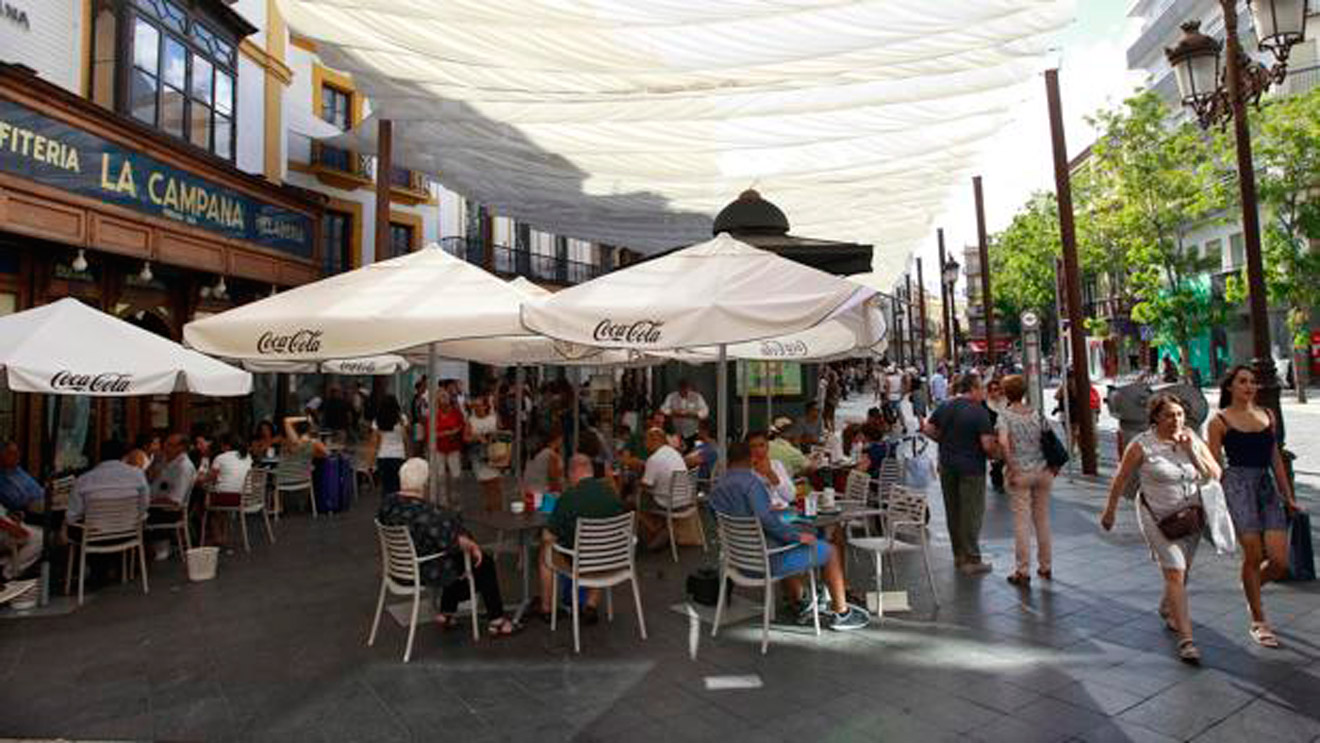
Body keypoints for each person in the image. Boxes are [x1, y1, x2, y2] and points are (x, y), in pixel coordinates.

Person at [1102, 394, 1221, 663]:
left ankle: (1167, 607)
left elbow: (1214, 474)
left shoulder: (1191, 438)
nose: (1176, 420)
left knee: (1182, 573)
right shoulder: (1141, 445)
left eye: (1179, 414)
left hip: (1190, 515)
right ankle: (1187, 640)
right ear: (1155, 417)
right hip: (1155, 515)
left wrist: (1191, 450)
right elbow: (1121, 479)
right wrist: (1109, 511)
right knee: (1176, 573)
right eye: (1169, 415)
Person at [708, 441, 869, 630]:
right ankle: (842, 613)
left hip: (738, 562)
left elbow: (729, 520)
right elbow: (768, 522)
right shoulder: (752, 485)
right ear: (751, 459)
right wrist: (796, 537)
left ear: (729, 460)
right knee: (830, 551)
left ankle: (799, 601)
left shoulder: (717, 487)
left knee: (784, 539)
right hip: (766, 563)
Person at [1206, 365, 1301, 649]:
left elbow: (1275, 460)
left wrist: (1288, 496)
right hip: (1237, 486)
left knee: (1279, 561)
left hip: (1266, 486)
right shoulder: (1219, 420)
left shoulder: (1267, 416)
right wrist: (1219, 497)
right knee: (1253, 552)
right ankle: (1258, 621)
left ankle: (1251, 588)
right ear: (1230, 387)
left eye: (1253, 382)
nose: (1249, 386)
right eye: (1243, 381)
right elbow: (1214, 464)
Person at [378, 458, 516, 635]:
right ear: (425, 483)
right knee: (482, 562)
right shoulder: (428, 512)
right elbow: (452, 541)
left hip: (398, 569)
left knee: (455, 559)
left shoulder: (388, 504)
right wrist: (473, 546)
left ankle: (447, 612)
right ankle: (497, 620)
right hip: (423, 570)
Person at [923, 373, 999, 575]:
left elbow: (928, 429)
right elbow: (987, 444)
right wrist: (996, 453)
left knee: (953, 511)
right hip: (972, 467)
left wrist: (945, 441)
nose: (983, 391)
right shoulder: (979, 411)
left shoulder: (946, 405)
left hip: (948, 465)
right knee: (971, 513)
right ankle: (972, 559)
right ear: (973, 389)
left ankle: (958, 555)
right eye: (981, 388)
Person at [535, 454, 625, 623]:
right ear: (590, 471)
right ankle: (590, 605)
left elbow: (548, 536)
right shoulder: (611, 492)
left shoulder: (569, 497)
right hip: (613, 560)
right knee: (598, 549)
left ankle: (546, 608)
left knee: (545, 553)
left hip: (582, 562)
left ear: (572, 473)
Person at [995, 375, 1055, 586]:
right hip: (1043, 471)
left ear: (1006, 393)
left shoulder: (1004, 416)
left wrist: (1011, 468)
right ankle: (1046, 566)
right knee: (1042, 519)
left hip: (1021, 473)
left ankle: (1022, 570)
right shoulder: (1037, 414)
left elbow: (1003, 443)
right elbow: (1049, 440)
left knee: (1022, 521)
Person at [69, 439, 150, 523]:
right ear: (123, 456)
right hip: (130, 532)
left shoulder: (83, 480)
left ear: (99, 455)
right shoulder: (137, 475)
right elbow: (144, 506)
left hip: (95, 533)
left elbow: (72, 515)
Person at [637, 427, 689, 548]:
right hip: (685, 499)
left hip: (669, 502)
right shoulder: (674, 452)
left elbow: (646, 484)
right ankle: (663, 529)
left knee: (633, 500)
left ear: (653, 440)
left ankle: (656, 531)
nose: (644, 443)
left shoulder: (654, 459)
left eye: (646, 440)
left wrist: (637, 482)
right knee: (647, 495)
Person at [201, 434, 254, 546]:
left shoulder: (220, 457)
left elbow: (209, 478)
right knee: (222, 508)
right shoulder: (246, 456)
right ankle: (223, 537)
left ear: (227, 446)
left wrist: (198, 477)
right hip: (246, 497)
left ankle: (217, 537)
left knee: (210, 509)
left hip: (229, 498)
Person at [275, 416, 329, 513]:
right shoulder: (312, 443)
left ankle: (278, 506)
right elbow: (326, 453)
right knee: (312, 469)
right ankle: (306, 503)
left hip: (283, 480)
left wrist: (305, 418)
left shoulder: (291, 441)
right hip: (304, 479)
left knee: (270, 476)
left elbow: (286, 420)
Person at [465, 395, 504, 511]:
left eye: (479, 405)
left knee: (496, 484)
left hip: (494, 454)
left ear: (485, 406)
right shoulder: (471, 420)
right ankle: (491, 509)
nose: (477, 408)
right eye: (475, 406)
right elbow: (466, 437)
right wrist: (476, 437)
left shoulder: (494, 418)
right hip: (479, 456)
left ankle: (497, 509)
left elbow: (503, 433)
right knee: (486, 485)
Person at [432, 389, 466, 505]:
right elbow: (431, 433)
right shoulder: (433, 414)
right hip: (438, 448)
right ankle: (443, 501)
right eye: (441, 397)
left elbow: (461, 427)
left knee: (456, 475)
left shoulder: (456, 412)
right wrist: (449, 432)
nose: (444, 399)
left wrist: (445, 433)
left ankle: (455, 498)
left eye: (445, 396)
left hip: (454, 447)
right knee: (440, 476)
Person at [371, 395, 408, 501]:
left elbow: (374, 442)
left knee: (386, 487)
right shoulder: (402, 418)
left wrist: (371, 460)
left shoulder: (377, 420)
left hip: (383, 456)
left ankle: (386, 510)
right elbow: (405, 438)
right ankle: (397, 510)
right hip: (399, 456)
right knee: (398, 486)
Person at [748, 430, 795, 509]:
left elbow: (791, 496)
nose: (758, 450)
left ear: (767, 447)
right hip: (756, 516)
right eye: (753, 446)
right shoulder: (745, 469)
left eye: (761, 445)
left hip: (781, 512)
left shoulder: (776, 465)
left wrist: (770, 474)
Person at [661, 379, 709, 448]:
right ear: (679, 388)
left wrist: (694, 414)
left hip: (693, 432)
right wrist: (673, 412)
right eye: (682, 389)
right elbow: (663, 409)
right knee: (677, 449)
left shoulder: (697, 397)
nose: (684, 391)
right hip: (676, 431)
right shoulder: (671, 396)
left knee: (693, 449)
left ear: (690, 388)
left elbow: (705, 411)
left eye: (686, 389)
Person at [0, 501, 41, 580]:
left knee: (38, 536)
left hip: (7, 525)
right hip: (4, 529)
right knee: (36, 539)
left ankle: (7, 569)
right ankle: (9, 571)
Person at [0, 441, 44, 514]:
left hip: (40, 504)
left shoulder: (19, 471)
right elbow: (16, 501)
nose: (17, 456)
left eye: (17, 452)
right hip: (24, 514)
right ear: (1, 456)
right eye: (12, 453)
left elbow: (37, 490)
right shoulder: (2, 478)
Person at [524, 431, 564, 496]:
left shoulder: (536, 454)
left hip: (529, 492)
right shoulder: (551, 455)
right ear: (558, 439)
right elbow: (554, 479)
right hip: (543, 494)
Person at [985, 378, 1007, 494]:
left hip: (1006, 434)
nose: (995, 392)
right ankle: (997, 481)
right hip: (992, 435)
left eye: (997, 389)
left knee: (1005, 459)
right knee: (997, 460)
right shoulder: (985, 404)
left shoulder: (1006, 402)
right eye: (992, 390)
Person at [683, 419, 720, 485]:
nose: (696, 431)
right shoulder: (714, 446)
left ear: (705, 431)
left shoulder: (708, 449)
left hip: (700, 484)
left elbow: (688, 461)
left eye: (698, 429)